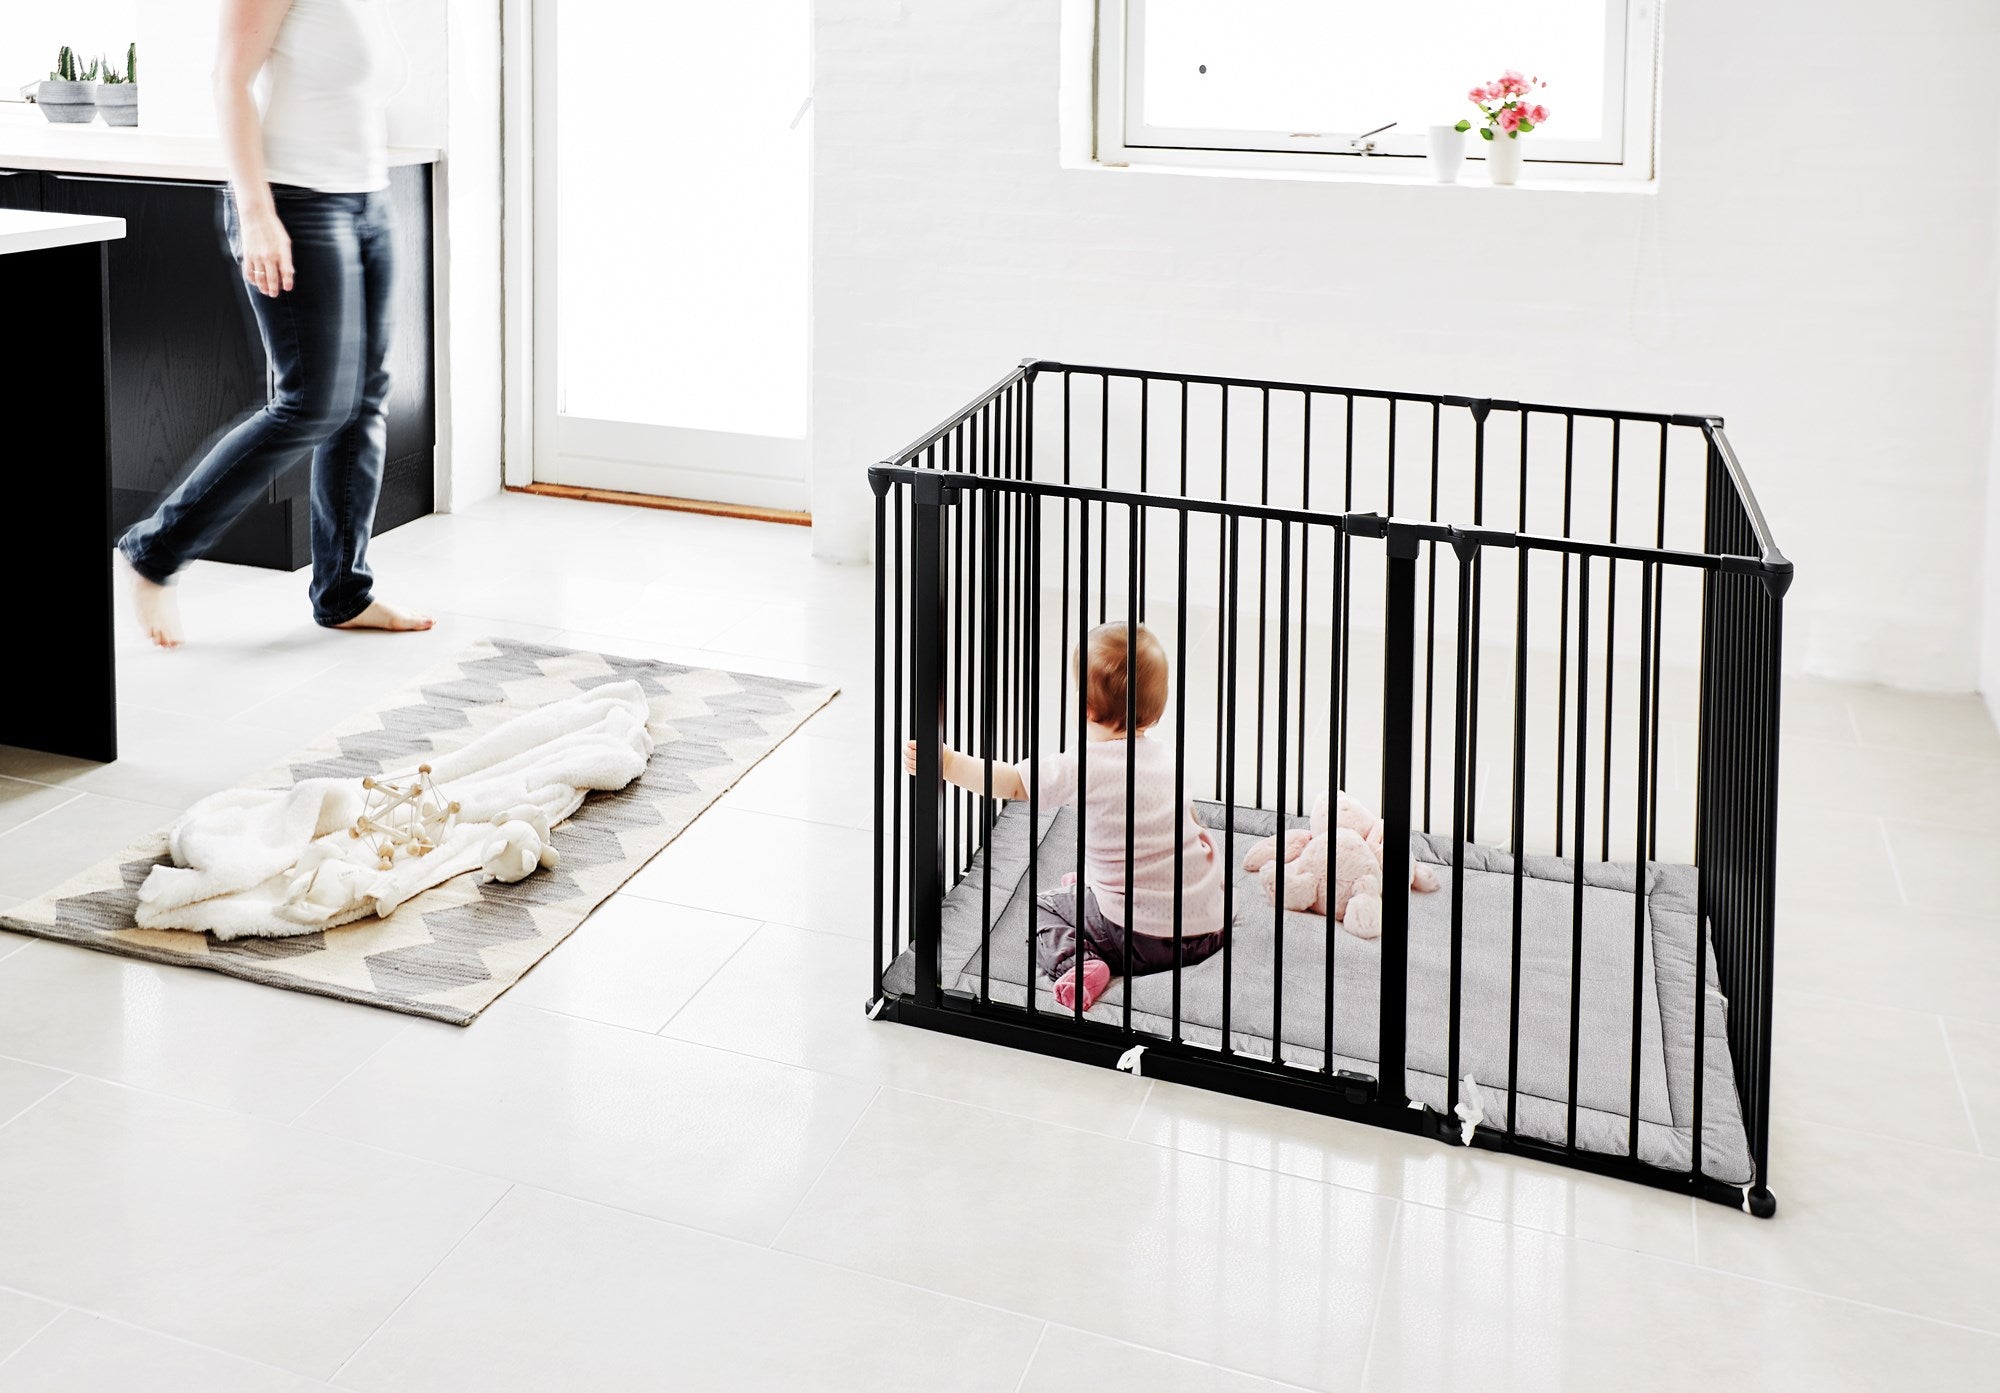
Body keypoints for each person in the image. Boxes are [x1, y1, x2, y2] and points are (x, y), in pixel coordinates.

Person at [117, 0, 432, 648]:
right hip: (294, 201)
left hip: (365, 197)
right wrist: (257, 214)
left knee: (363, 400)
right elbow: (228, 80)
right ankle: (155, 549)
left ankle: (343, 591)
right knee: (312, 404)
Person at [905, 621, 1227, 1012]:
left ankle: (1079, 964)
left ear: (1086, 707)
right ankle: (1097, 893)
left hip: (1139, 937)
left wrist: (949, 763)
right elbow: (1184, 825)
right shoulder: (1167, 759)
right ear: (1156, 711)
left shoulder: (1083, 766)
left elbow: (1013, 783)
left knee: (1041, 909)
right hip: (1207, 926)